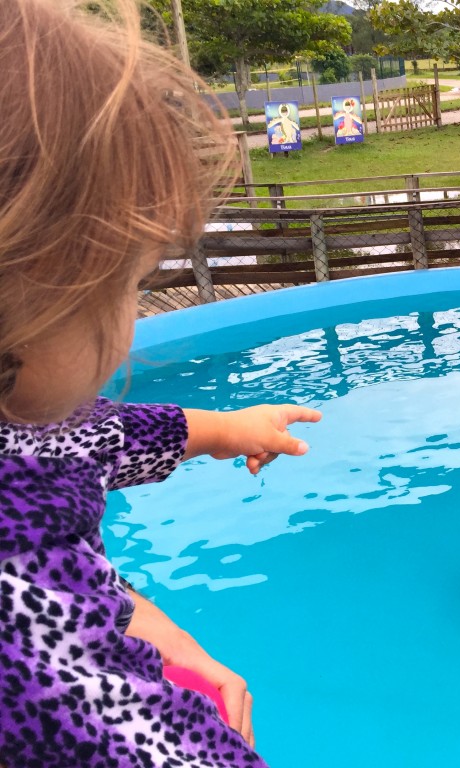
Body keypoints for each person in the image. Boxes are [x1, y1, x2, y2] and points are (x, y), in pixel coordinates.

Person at [0, 2, 322, 766]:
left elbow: (103, 436)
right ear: (32, 294)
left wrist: (229, 430)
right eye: (129, 287)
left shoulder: (23, 431)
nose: (130, 321)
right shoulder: (31, 646)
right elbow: (139, 739)